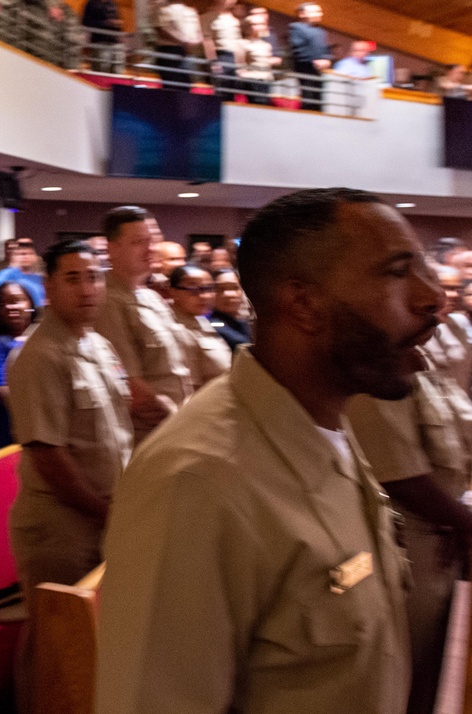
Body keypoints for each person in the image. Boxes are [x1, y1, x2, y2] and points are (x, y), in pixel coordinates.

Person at [97, 187, 434, 713]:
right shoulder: (198, 481)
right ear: (304, 303)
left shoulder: (327, 428)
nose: (431, 298)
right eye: (396, 272)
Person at [7, 239, 131, 710]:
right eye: (73, 278)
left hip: (100, 516)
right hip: (60, 525)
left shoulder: (96, 344)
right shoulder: (40, 355)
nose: (87, 289)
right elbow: (48, 455)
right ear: (48, 287)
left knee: (85, 640)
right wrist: (107, 512)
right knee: (51, 643)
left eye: (95, 277)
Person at [348, 341, 472, 714]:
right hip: (408, 543)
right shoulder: (376, 368)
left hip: (446, 531)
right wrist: (463, 522)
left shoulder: (419, 355)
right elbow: (400, 476)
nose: (434, 301)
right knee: (411, 668)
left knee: (439, 664)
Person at [95, 206, 192, 441]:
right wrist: (186, 425)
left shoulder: (150, 296)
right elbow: (132, 389)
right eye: (139, 241)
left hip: (177, 426)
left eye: (154, 240)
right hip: (147, 436)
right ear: (112, 249)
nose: (150, 249)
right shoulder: (107, 301)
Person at [0, 281, 36, 452]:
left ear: (30, 305)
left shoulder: (40, 339)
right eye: (2, 303)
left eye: (16, 300)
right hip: (8, 428)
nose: (10, 307)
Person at [168, 265, 231, 390]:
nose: (204, 296)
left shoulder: (201, 320)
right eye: (193, 288)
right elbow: (190, 386)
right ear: (174, 292)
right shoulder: (176, 330)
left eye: (209, 288)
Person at [288, 2, 332, 111]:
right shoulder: (297, 28)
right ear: (302, 14)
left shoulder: (321, 31)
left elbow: (324, 49)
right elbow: (298, 50)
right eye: (315, 11)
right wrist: (315, 61)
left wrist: (327, 59)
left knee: (318, 98)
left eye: (319, 11)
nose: (319, 14)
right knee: (309, 97)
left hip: (318, 70)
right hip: (306, 68)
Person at [154, 0, 205, 89]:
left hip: (188, 53)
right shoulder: (164, 9)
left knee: (187, 85)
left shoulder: (190, 11)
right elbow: (161, 29)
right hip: (170, 52)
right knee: (171, 87)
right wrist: (182, 40)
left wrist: (196, 40)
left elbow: (198, 32)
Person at [209, 267, 252, 351]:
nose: (229, 294)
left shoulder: (244, 323)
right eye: (220, 288)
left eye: (235, 288)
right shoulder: (210, 325)